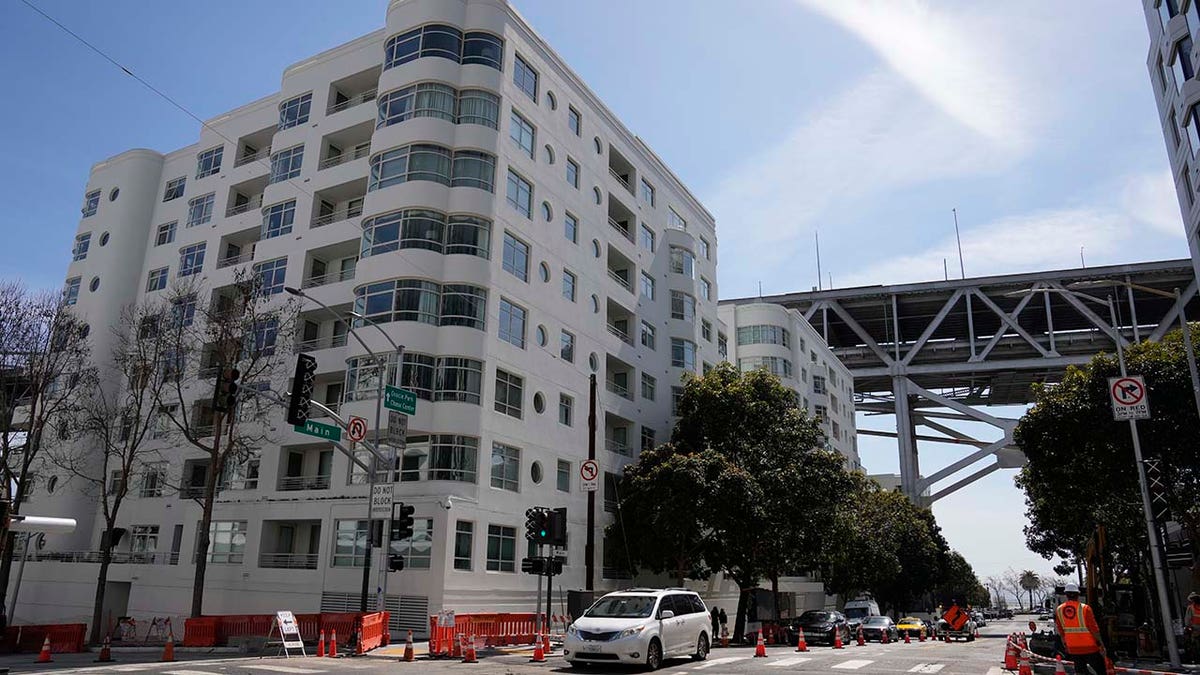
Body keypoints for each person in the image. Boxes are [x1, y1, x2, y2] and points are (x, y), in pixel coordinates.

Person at [1053, 583, 1107, 675]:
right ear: (1078, 595)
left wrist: (1065, 645)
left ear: (1066, 595)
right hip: (1090, 647)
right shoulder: (1085, 608)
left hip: (1073, 647)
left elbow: (1061, 631)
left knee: (1080, 671)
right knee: (1101, 670)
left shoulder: (1059, 610)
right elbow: (1094, 629)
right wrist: (1101, 644)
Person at [1185, 592, 1200, 661]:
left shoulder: (1190, 607)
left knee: (1195, 644)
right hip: (1196, 628)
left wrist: (1187, 627)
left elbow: (1188, 619)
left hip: (1195, 629)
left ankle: (1197, 658)